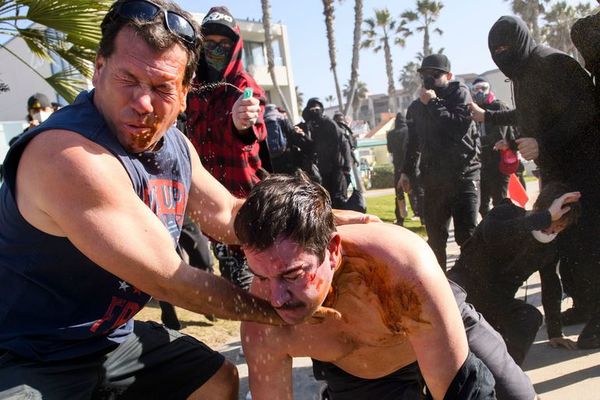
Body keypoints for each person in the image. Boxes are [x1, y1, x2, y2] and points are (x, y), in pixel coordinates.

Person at [0, 2, 368, 397]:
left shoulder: (172, 143)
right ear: (99, 67)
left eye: (161, 88)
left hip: (108, 341)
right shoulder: (67, 155)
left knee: (216, 380)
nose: (143, 103)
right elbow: (172, 279)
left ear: (185, 92)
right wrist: (282, 311)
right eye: (128, 78)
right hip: (26, 353)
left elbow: (228, 214)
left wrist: (317, 222)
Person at [237, 173, 538, 400]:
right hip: (363, 376)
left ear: (331, 250)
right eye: (261, 276)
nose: (276, 298)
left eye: (292, 275)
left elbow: (456, 390)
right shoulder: (263, 323)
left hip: (440, 330)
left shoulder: (400, 268)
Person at [470, 15, 600, 349]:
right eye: (495, 49)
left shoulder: (550, 63)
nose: (502, 53)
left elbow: (585, 111)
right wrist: (511, 141)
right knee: (568, 247)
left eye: (506, 47)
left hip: (586, 169)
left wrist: (544, 143)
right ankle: (585, 305)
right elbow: (531, 115)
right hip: (558, 172)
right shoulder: (524, 72)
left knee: (589, 246)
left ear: (522, 40)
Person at [449, 183, 581, 365]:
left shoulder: (549, 248)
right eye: (552, 221)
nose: (552, 229)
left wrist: (555, 331)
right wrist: (545, 218)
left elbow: (550, 283)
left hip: (493, 305)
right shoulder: (506, 212)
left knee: (530, 317)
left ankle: (501, 372)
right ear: (541, 209)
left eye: (560, 226)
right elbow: (493, 235)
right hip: (459, 294)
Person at [185, 6, 268, 291]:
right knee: (233, 284)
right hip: (211, 207)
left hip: (245, 207)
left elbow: (253, 131)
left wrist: (241, 122)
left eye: (224, 44)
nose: (216, 50)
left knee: (255, 288)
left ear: (235, 46)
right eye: (209, 44)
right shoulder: (192, 89)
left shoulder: (245, 87)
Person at [400, 54, 481, 270]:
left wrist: (434, 103)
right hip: (434, 180)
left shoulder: (459, 93)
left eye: (435, 75)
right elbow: (413, 144)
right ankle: (440, 289)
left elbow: (458, 129)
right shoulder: (417, 107)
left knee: (467, 237)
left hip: (463, 177)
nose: (429, 79)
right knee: (436, 239)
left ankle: (473, 287)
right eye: (425, 75)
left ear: (449, 75)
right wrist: (406, 172)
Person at [470, 77, 517, 217]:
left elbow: (498, 138)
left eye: (483, 88)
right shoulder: (475, 110)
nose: (480, 92)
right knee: (482, 204)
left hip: (499, 161)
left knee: (500, 201)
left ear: (489, 89)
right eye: (476, 89)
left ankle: (505, 231)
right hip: (482, 161)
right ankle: (491, 231)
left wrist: (475, 141)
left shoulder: (498, 106)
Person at [297, 98, 353, 208]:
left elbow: (344, 143)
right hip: (324, 170)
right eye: (311, 109)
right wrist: (302, 135)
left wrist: (347, 166)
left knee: (339, 198)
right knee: (328, 199)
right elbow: (313, 146)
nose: (314, 111)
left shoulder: (329, 123)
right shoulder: (313, 127)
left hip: (338, 168)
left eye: (317, 109)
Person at [387, 113, 409, 225]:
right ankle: (423, 218)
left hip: (398, 166)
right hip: (410, 164)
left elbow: (390, 149)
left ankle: (400, 218)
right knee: (417, 191)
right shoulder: (408, 131)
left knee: (399, 193)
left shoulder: (391, 134)